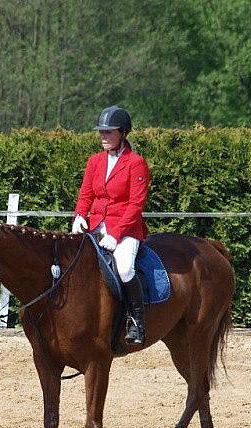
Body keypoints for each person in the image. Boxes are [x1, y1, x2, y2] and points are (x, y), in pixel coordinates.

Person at [72, 105, 149, 345]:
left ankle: (136, 321)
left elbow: (136, 205)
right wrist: (79, 216)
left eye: (109, 133)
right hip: (95, 225)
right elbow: (86, 194)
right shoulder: (94, 161)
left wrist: (116, 234)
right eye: (101, 133)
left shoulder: (136, 163)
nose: (103, 137)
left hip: (126, 228)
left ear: (123, 133)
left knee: (125, 268)